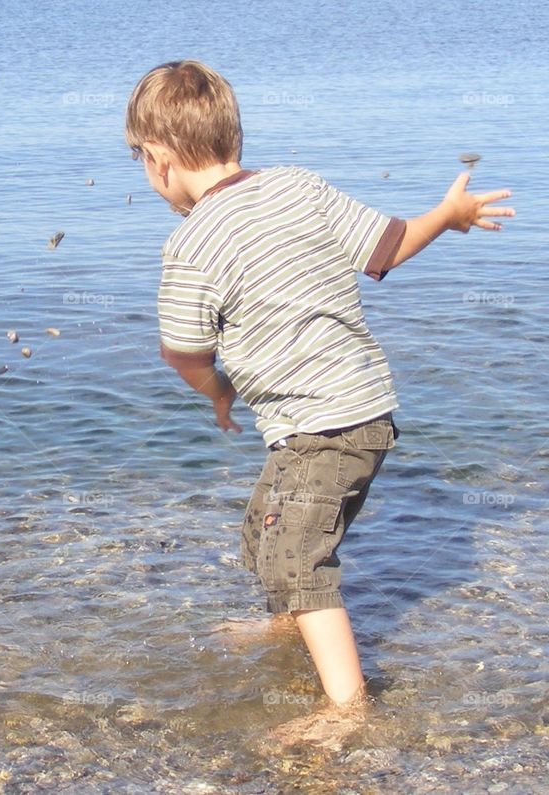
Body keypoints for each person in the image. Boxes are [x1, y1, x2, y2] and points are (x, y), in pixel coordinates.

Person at [125, 60, 514, 722]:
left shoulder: (189, 244)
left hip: (324, 428)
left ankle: (346, 708)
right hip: (364, 412)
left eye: (140, 160)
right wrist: (446, 214)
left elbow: (182, 351)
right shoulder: (300, 186)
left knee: (298, 554)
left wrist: (217, 391)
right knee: (266, 526)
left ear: (159, 161)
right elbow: (386, 247)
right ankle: (288, 624)